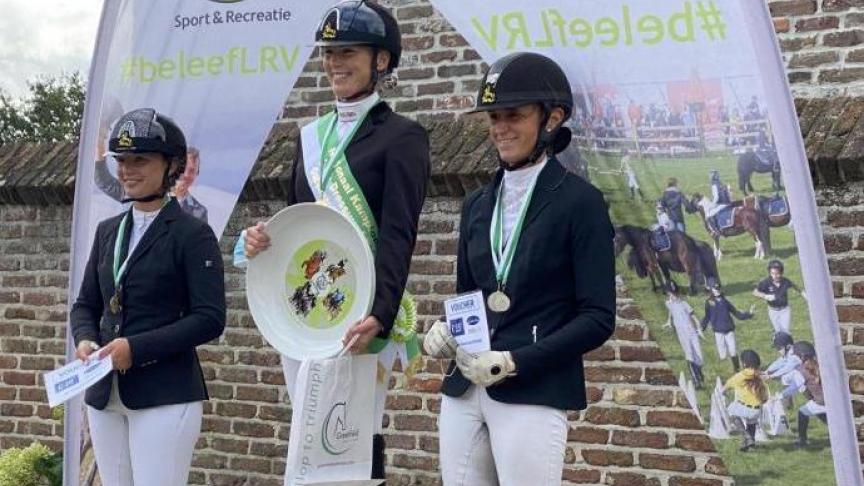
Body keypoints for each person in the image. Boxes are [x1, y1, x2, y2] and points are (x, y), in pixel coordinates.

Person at [238, 1, 430, 480]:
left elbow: (397, 234)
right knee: (309, 431)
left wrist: (381, 314)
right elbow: (294, 223)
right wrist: (261, 240)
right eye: (328, 52)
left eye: (348, 51)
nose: (334, 62)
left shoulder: (403, 137)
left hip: (359, 311)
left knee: (351, 434)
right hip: (305, 316)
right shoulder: (309, 139)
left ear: (381, 60)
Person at [423, 52, 615, 486]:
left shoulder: (580, 203)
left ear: (552, 119)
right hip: (465, 387)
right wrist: (445, 328)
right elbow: (468, 296)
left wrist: (514, 361)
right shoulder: (477, 203)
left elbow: (598, 317)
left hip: (533, 389)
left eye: (513, 115)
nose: (499, 128)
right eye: (493, 117)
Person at [70, 108, 226, 486]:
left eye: (140, 159)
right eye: (121, 160)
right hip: (105, 394)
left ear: (170, 165)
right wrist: (87, 339)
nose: (127, 169)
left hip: (165, 395)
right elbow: (85, 305)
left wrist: (135, 349)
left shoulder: (193, 234)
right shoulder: (108, 231)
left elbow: (209, 317)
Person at [780, 341, 828, 448]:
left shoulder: (800, 371)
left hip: (822, 402)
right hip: (837, 400)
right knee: (815, 408)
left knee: (803, 412)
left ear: (801, 357)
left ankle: (802, 440)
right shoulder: (823, 363)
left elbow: (806, 394)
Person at [701, 284, 754, 372]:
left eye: (718, 289)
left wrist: (749, 314)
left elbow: (737, 314)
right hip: (718, 332)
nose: (717, 291)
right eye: (715, 289)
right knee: (723, 356)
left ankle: (737, 370)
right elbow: (707, 316)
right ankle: (728, 361)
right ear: (711, 291)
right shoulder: (709, 303)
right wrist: (702, 327)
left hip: (729, 330)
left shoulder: (725, 301)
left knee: (733, 351)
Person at [725, 349, 769, 452]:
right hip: (757, 411)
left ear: (744, 363)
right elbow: (765, 396)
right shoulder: (760, 375)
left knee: (730, 411)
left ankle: (746, 436)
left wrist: (723, 392)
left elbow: (726, 386)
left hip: (746, 409)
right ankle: (750, 445)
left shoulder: (741, 375)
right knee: (751, 423)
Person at [664, 282, 705, 389]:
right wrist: (669, 321)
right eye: (671, 293)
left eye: (675, 293)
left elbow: (693, 315)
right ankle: (696, 380)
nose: (674, 295)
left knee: (699, 357)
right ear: (668, 293)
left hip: (692, 332)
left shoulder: (684, 303)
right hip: (682, 334)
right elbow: (671, 311)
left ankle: (699, 372)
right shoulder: (668, 303)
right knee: (689, 355)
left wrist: (699, 328)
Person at [753, 259, 805, 335]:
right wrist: (765, 296)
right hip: (773, 310)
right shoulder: (766, 282)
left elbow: (794, 286)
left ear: (781, 273)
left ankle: (787, 344)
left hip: (785, 310)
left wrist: (803, 293)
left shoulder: (785, 281)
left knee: (785, 331)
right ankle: (779, 343)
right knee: (778, 331)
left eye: (777, 274)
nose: (775, 276)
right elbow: (755, 292)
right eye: (772, 273)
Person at [764, 331, 803, 409]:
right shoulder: (789, 352)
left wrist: (771, 376)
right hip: (802, 378)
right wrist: (767, 371)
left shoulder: (794, 355)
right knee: (785, 378)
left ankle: (787, 402)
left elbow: (787, 368)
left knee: (786, 377)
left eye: (779, 348)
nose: (777, 350)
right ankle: (788, 404)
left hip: (809, 380)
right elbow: (780, 361)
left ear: (788, 346)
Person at [705, 170, 731, 236]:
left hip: (721, 204)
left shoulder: (714, 185)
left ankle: (716, 231)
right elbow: (728, 193)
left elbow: (716, 197)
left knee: (709, 214)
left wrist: (712, 205)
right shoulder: (721, 183)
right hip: (728, 203)